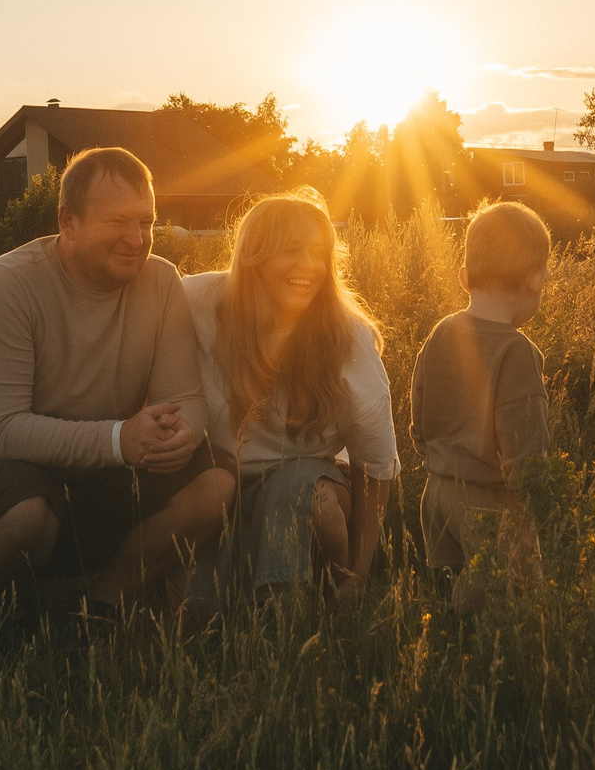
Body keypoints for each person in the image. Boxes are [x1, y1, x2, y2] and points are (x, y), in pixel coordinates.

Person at [0, 147, 235, 617]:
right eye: (118, 222)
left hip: (98, 473)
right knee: (25, 510)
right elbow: (3, 432)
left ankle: (103, 601)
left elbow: (186, 396)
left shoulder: (161, 281)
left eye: (146, 222)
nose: (137, 238)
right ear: (69, 222)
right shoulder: (4, 285)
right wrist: (119, 440)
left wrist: (183, 432)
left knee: (217, 477)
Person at [183, 189, 397, 611]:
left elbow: (375, 469)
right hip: (224, 483)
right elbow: (140, 287)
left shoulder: (348, 340)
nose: (310, 267)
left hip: (313, 484)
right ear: (252, 255)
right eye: (291, 250)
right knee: (194, 607)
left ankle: (294, 606)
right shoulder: (199, 303)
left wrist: (359, 573)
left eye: (320, 253)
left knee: (296, 490)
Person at [410, 200, 553, 615]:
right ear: (535, 281)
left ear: (463, 277)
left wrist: (440, 459)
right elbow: (526, 452)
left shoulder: (441, 333)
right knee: (515, 604)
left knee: (461, 593)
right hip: (489, 503)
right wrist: (544, 508)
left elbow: (417, 414)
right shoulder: (517, 352)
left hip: (436, 492)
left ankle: (443, 650)